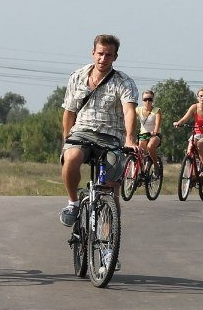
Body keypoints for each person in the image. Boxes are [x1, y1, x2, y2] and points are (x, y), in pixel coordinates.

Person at [59, 35, 139, 227]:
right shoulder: (77, 77)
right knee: (71, 158)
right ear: (93, 53)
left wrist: (129, 138)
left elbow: (129, 111)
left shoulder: (124, 82)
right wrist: (67, 139)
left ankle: (108, 247)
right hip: (82, 132)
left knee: (110, 189)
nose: (103, 59)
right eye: (100, 54)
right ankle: (73, 203)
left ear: (115, 57)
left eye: (108, 55)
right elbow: (69, 112)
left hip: (111, 137)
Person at [174, 87, 203, 176]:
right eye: (201, 96)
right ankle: (191, 176)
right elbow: (185, 118)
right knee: (189, 151)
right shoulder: (194, 107)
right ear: (197, 97)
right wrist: (178, 123)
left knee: (200, 144)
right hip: (197, 133)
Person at [137, 89, 163, 165]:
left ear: (153, 100)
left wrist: (155, 131)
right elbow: (131, 120)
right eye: (145, 100)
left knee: (150, 146)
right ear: (142, 100)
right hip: (143, 135)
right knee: (139, 149)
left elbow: (158, 123)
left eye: (150, 99)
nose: (147, 102)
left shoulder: (156, 110)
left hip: (154, 135)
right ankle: (141, 168)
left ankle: (155, 164)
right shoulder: (138, 110)